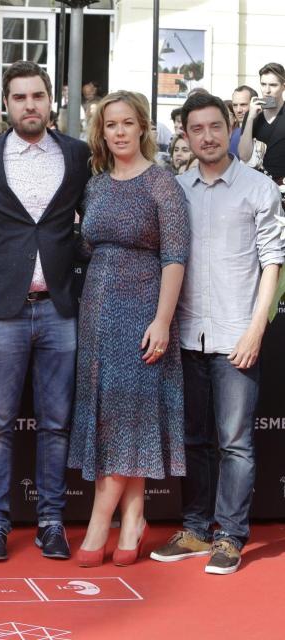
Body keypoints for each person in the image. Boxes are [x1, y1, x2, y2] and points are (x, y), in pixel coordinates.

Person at [0, 60, 91, 562]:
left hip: (59, 308)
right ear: (5, 104)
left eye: (37, 96)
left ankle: (52, 521)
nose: (29, 105)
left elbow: (91, 222)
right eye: (19, 97)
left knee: (57, 423)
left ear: (49, 102)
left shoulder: (77, 156)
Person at [151, 93, 284, 575]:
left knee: (235, 442)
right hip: (186, 335)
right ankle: (194, 529)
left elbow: (273, 263)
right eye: (196, 129)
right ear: (184, 135)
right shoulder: (175, 189)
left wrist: (256, 329)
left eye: (215, 127)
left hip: (236, 335)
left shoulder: (258, 188)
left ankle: (229, 535)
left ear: (230, 127)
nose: (206, 136)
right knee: (193, 440)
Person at [69, 91, 190, 568]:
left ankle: (100, 522)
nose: (118, 132)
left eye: (126, 123)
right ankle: (134, 519)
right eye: (110, 125)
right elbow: (84, 246)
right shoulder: (96, 186)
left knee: (125, 416)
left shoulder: (163, 184)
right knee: (115, 417)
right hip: (97, 313)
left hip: (142, 314)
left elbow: (176, 257)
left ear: (142, 127)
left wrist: (161, 320)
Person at [239, 62, 285, 182]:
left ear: (283, 86)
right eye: (263, 84)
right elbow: (244, 156)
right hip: (255, 185)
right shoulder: (252, 114)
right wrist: (250, 119)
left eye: (273, 85)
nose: (267, 90)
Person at [229, 85, 257, 155]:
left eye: (243, 105)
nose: (238, 110)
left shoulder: (265, 131)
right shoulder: (235, 133)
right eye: (235, 105)